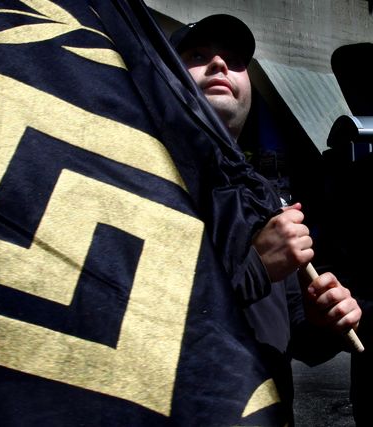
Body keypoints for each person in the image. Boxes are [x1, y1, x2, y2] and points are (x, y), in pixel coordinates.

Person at [169, 14, 362, 423]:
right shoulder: (147, 179)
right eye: (199, 55)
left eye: (236, 60)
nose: (220, 65)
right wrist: (257, 266)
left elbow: (296, 339)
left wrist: (321, 320)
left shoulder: (265, 197)